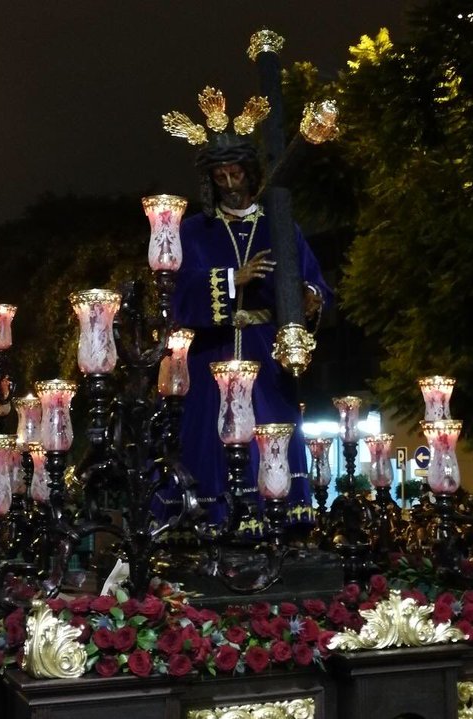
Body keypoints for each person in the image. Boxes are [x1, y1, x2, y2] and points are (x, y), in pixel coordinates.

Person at [168, 115, 331, 524]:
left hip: (265, 350)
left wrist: (310, 299)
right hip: (211, 354)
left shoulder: (278, 226)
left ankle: (278, 516)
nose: (230, 183)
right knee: (208, 431)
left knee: (273, 426)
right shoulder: (193, 231)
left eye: (236, 172)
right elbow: (175, 292)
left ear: (251, 171)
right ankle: (209, 518)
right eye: (219, 176)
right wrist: (230, 280)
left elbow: (313, 281)